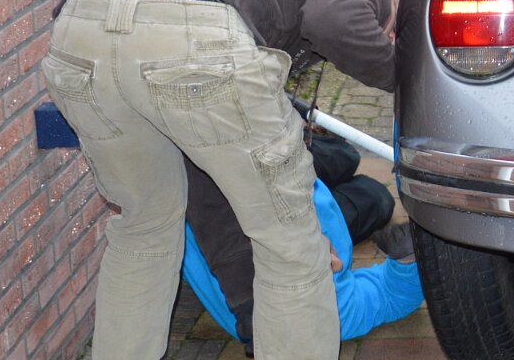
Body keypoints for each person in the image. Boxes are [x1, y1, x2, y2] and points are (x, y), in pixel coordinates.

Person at [40, 0, 398, 360]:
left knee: (142, 231)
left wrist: (249, 302)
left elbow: (210, 184)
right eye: (391, 25)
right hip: (193, 31)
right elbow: (337, 20)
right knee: (288, 237)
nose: (385, 34)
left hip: (80, 29)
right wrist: (407, 76)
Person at [181, 129, 422, 347]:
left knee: (361, 181)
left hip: (271, 176)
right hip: (275, 178)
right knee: (369, 191)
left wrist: (408, 266)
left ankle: (329, 148)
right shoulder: (332, 312)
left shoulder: (332, 311)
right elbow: (383, 297)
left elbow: (384, 297)